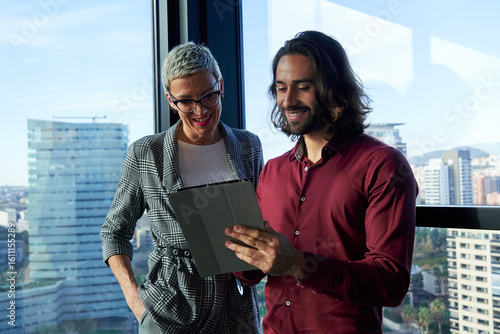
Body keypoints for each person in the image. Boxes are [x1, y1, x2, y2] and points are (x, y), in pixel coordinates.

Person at [225, 30, 418, 333]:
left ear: (334, 89)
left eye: (303, 87)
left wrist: (298, 264)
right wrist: (240, 251)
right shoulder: (271, 172)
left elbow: (391, 282)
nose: (288, 100)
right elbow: (250, 272)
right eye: (280, 88)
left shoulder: (382, 165)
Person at [100, 42, 263, 334]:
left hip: (236, 310)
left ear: (221, 86)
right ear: (170, 100)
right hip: (169, 311)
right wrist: (136, 303)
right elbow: (114, 232)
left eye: (208, 96)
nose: (200, 110)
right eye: (186, 101)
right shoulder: (146, 153)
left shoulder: (249, 145)